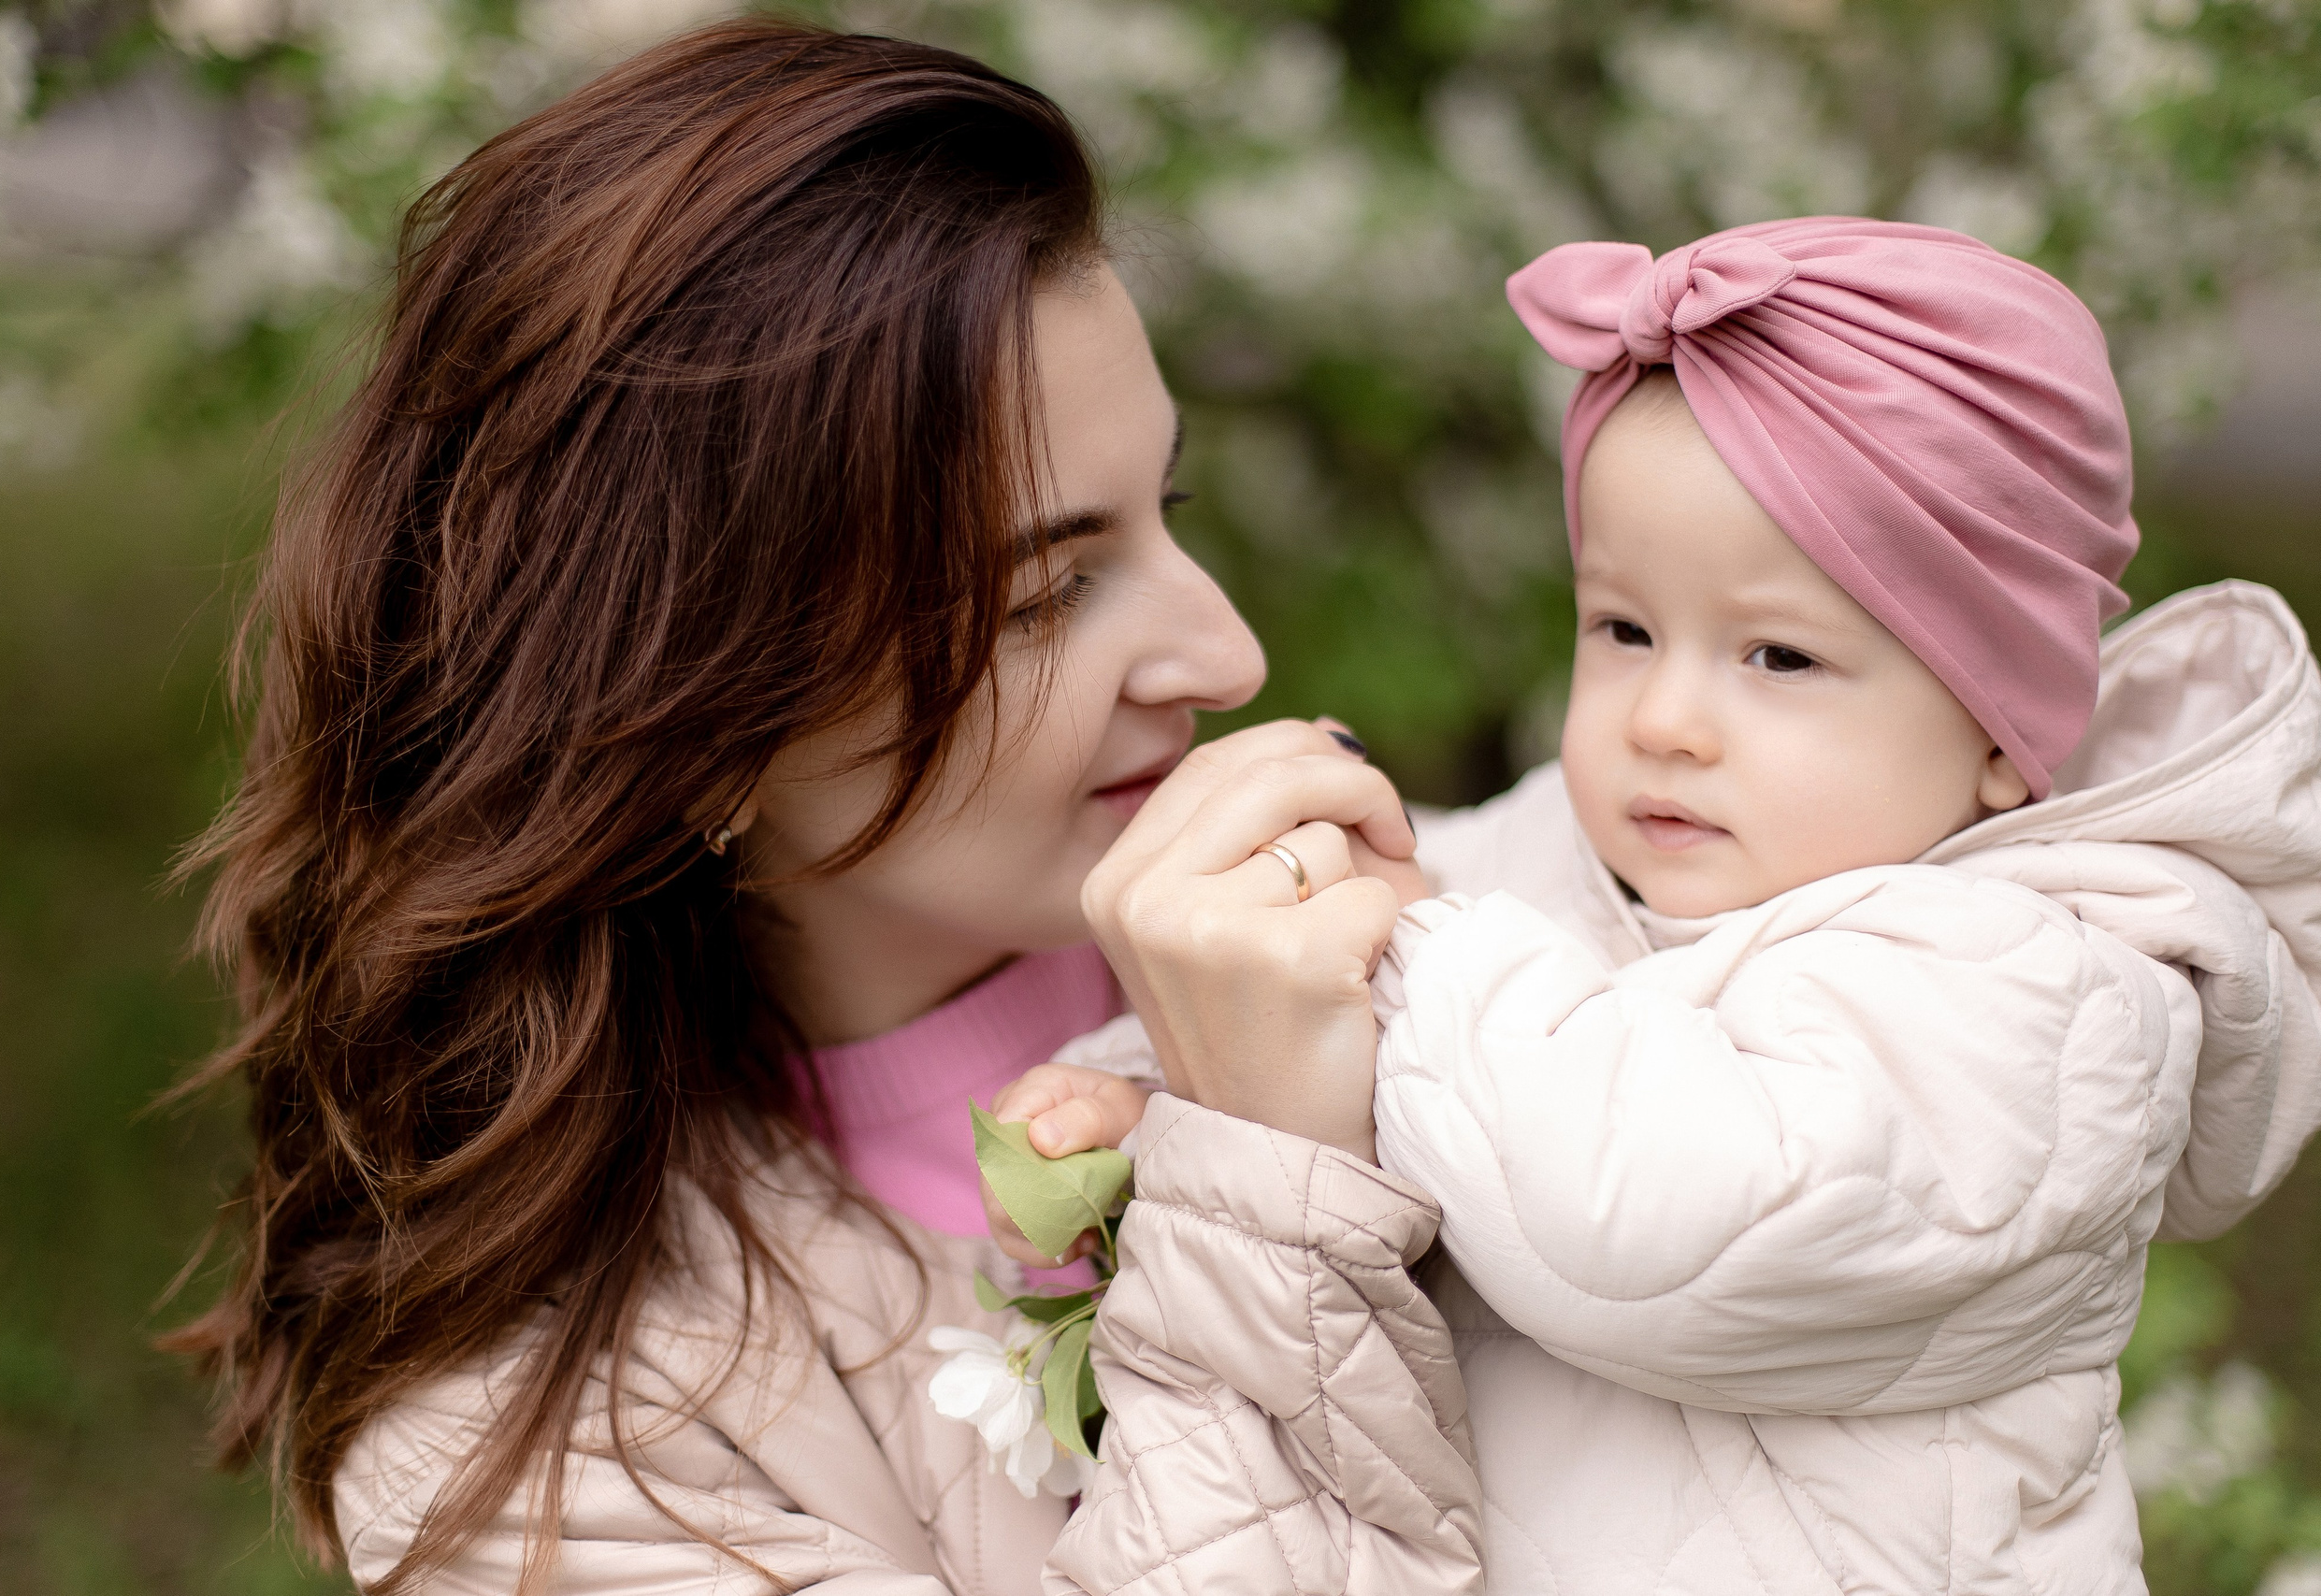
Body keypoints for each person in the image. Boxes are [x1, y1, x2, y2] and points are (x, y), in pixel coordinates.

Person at [167, 21, 1485, 1594]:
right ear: (694, 724)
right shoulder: (549, 1468)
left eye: (1169, 509)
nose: (1230, 656)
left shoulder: (1426, 937)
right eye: (1047, 593)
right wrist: (1265, 1186)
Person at [1004, 220, 2321, 1593]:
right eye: (1625, 630)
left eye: (1780, 656)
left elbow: (1645, 1222)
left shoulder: (2044, 998)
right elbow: (1337, 1036)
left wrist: (1393, 939)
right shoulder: (1560, 852)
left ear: (2001, 728)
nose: (1666, 719)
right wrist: (1163, 1095)